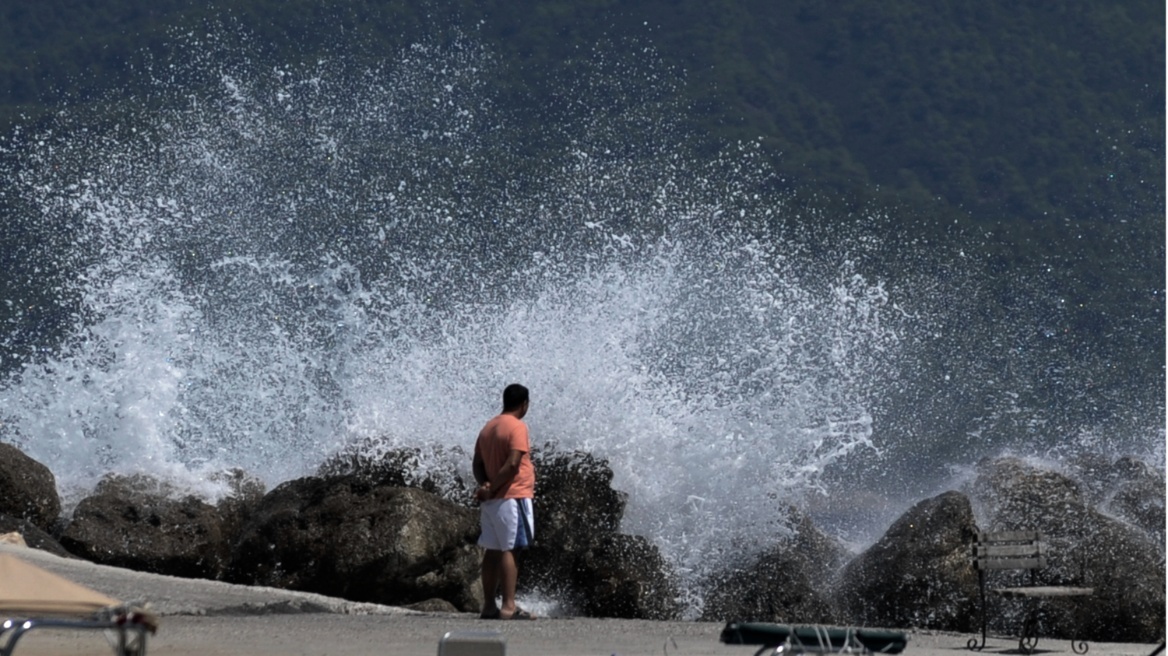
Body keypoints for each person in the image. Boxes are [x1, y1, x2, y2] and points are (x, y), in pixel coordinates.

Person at [472, 383, 537, 620]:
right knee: (512, 549)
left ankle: (489, 605)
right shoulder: (517, 427)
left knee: (493, 550)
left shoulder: (488, 427)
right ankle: (509, 606)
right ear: (524, 404)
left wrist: (485, 485)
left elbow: (477, 464)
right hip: (513, 496)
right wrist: (496, 487)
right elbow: (512, 464)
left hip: (492, 503)